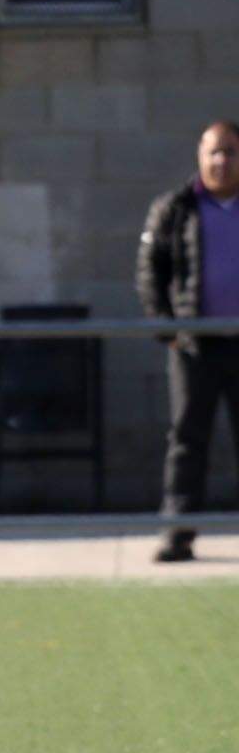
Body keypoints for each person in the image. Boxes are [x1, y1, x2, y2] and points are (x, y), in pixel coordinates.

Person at [136, 118, 239, 563]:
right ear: (200, 155)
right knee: (186, 440)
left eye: (231, 151)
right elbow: (148, 271)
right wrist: (166, 330)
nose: (221, 160)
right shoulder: (175, 208)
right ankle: (177, 533)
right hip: (194, 346)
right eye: (214, 151)